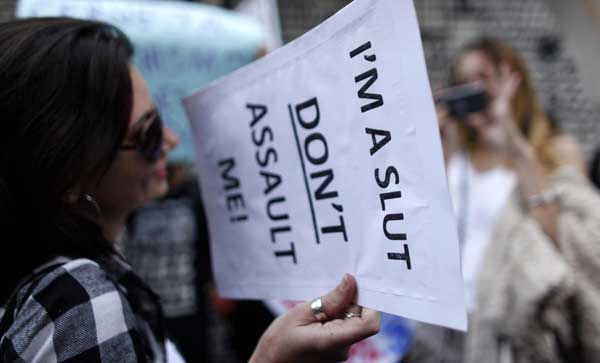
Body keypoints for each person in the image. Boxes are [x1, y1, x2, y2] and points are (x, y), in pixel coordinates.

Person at [0, 17, 379, 363]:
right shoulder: (80, 300)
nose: (170, 139)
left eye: (160, 119)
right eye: (146, 133)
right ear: (70, 173)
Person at [406, 37, 600, 363]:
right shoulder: (458, 151)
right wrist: (429, 140)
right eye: (462, 83)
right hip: (444, 318)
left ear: (511, 80)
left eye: (482, 79)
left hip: (507, 324)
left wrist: (512, 141)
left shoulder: (553, 150)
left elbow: (560, 237)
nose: (472, 91)